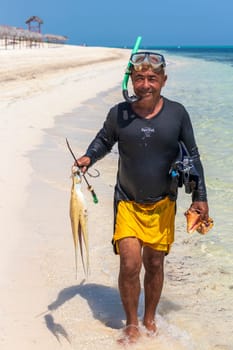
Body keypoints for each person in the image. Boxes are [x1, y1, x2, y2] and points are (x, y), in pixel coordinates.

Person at [76, 51, 209, 343]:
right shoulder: (119, 114)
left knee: (155, 263)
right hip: (127, 201)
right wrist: (89, 157)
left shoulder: (177, 113)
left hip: (163, 202)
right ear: (131, 80)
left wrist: (200, 197)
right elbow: (103, 140)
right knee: (129, 264)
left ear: (163, 80)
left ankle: (150, 317)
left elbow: (194, 156)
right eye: (139, 78)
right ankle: (133, 323)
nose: (145, 84)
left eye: (152, 78)